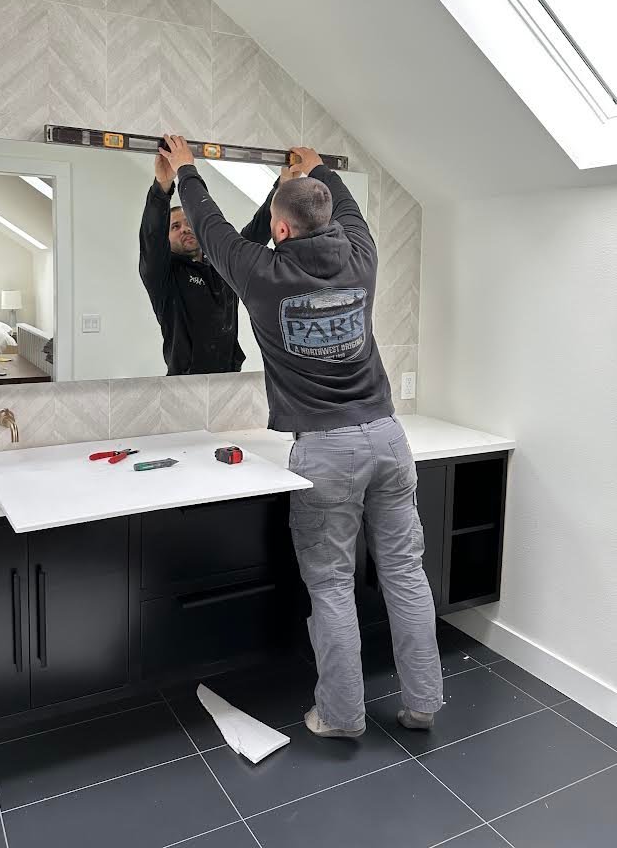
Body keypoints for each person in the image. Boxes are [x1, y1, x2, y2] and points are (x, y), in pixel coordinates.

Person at [159, 133, 443, 738]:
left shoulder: (262, 274)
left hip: (325, 451)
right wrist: (318, 172)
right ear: (328, 219)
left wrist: (186, 170)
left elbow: (212, 230)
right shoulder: (361, 256)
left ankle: (340, 716)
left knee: (333, 585)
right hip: (389, 438)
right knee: (405, 572)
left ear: (281, 230)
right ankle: (423, 704)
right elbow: (349, 210)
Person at [139, 152, 281, 376]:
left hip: (230, 379)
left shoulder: (223, 264)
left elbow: (258, 229)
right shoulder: (163, 276)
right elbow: (151, 237)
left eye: (189, 223)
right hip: (185, 383)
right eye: (175, 226)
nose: (185, 229)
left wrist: (282, 185)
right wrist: (161, 188)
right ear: (165, 238)